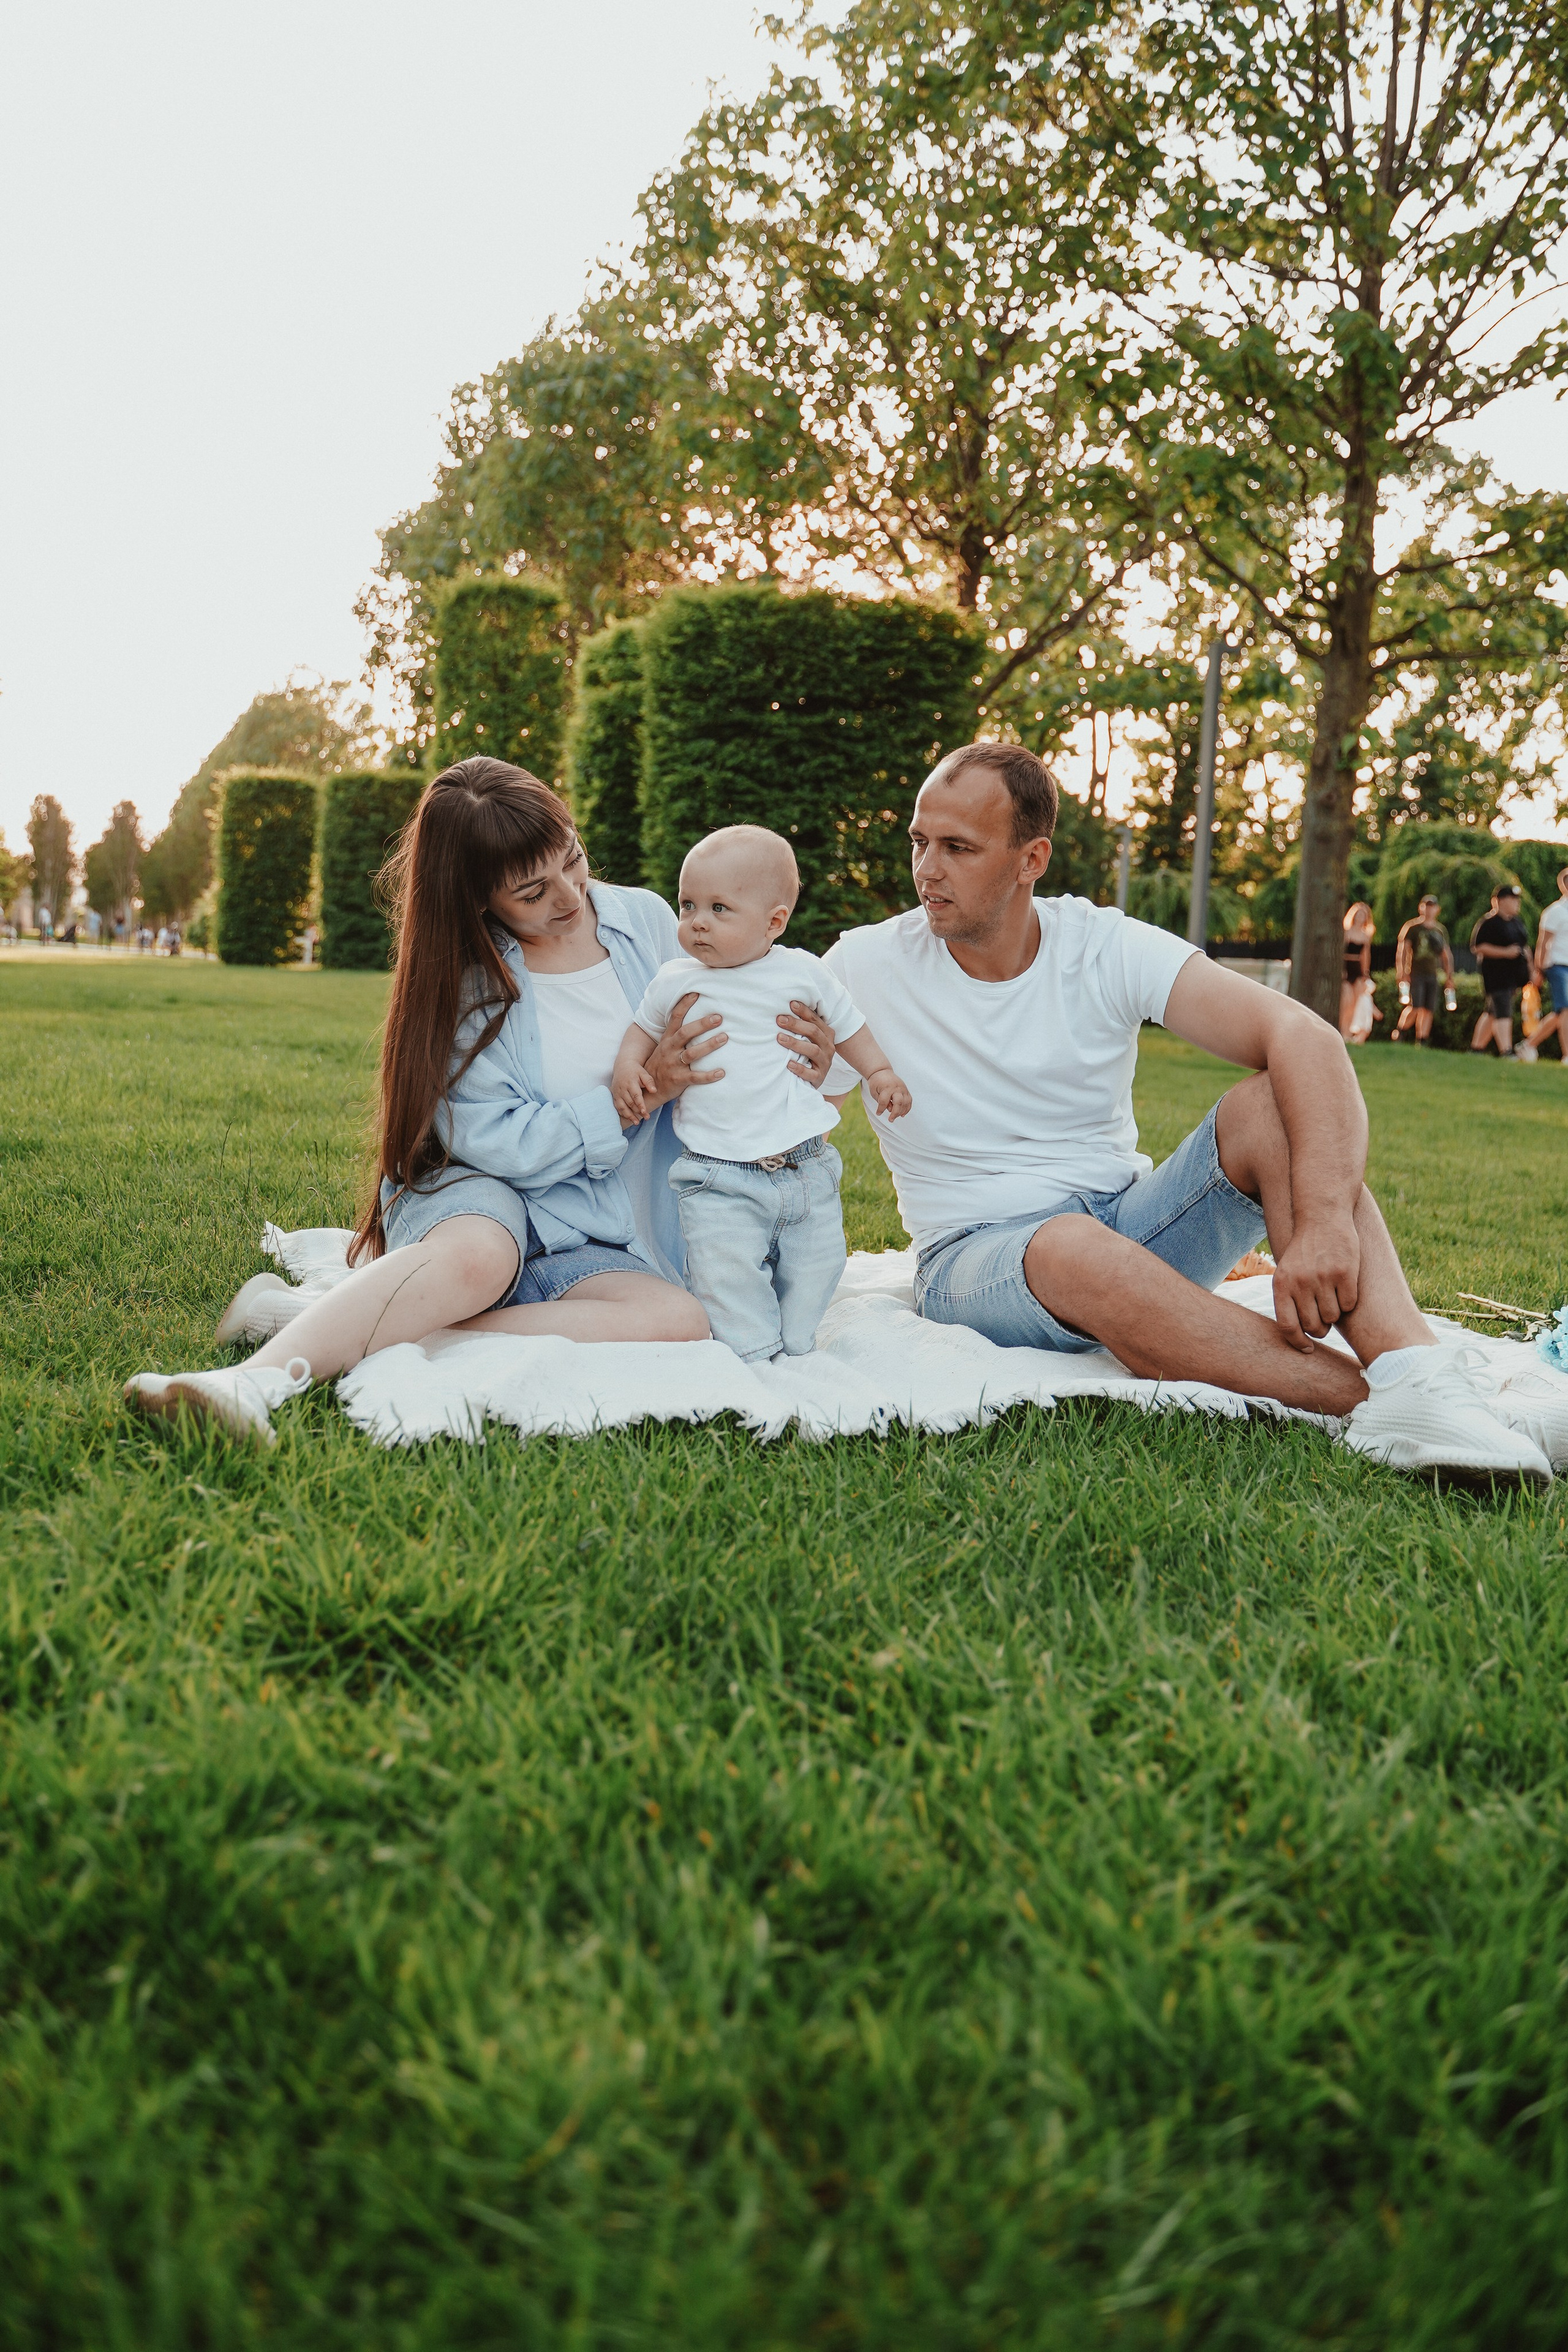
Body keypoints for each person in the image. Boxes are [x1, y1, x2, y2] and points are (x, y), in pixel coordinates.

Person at [819, 741, 1568, 1487]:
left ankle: (1417, 1369)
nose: (927, 869)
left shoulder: (1099, 944)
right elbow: (782, 1123)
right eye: (920, 842)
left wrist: (1326, 1220)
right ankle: (1412, 1405)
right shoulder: (859, 966)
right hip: (973, 1259)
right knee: (1070, 1246)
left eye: (957, 847)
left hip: (1131, 1224)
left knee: (1271, 1105)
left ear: (1030, 859)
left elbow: (1302, 1035)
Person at [125, 758, 836, 1442]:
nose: (569, 896)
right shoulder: (468, 981)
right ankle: (254, 1382)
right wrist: (637, 1098)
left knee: (679, 1321)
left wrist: (811, 1055)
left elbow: (745, 1024)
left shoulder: (648, 922)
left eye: (573, 857)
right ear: (477, 898)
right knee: (479, 1257)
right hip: (483, 1192)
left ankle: (316, 1317)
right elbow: (498, 1144)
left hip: (589, 1229)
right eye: (532, 891)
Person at [612, 825, 911, 1360]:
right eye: (687, 906)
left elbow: (850, 1027)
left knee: (819, 1262)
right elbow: (641, 1029)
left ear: (774, 922)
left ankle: (797, 1342)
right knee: (724, 1270)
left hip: (805, 1166)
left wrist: (880, 1072)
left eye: (719, 908)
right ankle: (753, 1354)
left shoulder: (803, 972)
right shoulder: (675, 979)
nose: (697, 921)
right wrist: (628, 1068)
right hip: (716, 1174)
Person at [1469, 884, 1532, 1057]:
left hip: (1513, 977)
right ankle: (1507, 1051)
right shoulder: (1489, 923)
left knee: (1491, 1013)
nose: (1517, 903)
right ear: (1500, 901)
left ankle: (1476, 1049)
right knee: (1503, 1011)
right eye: (1512, 899)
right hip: (1496, 976)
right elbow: (1478, 947)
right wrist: (1505, 953)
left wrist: (1531, 969)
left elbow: (1525, 948)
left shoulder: (1516, 923)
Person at [1514, 865, 1568, 1063]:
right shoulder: (1555, 912)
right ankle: (1567, 1056)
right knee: (1566, 1010)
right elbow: (1543, 942)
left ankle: (1528, 1045)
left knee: (1561, 1012)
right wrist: (1539, 969)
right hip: (1558, 966)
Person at [1392, 895, 1453, 1046]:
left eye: (1432, 906)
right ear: (1421, 908)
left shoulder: (1440, 930)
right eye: (1426, 906)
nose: (1429, 909)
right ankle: (1401, 1032)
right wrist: (1402, 972)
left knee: (1428, 1009)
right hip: (1415, 973)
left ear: (1437, 909)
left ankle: (1422, 1039)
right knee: (1415, 1006)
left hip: (1432, 973)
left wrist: (1449, 976)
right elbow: (1403, 951)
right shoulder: (1412, 928)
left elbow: (1446, 955)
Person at [1340, 901, 1376, 1041]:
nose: (1361, 917)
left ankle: (1349, 1032)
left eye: (1363, 915)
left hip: (1358, 970)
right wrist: (1342, 970)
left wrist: (1365, 974)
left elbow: (1366, 956)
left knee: (1356, 1002)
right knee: (1347, 1000)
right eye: (1359, 914)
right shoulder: (1346, 933)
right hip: (1346, 969)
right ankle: (1342, 1029)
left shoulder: (1366, 936)